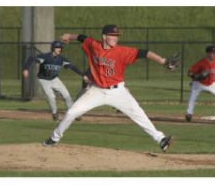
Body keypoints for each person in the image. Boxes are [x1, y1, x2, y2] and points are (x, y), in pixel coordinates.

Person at [42, 25, 180, 152]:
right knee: (72, 112)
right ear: (104, 36)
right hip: (97, 90)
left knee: (138, 113)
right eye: (112, 35)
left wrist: (163, 61)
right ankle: (54, 138)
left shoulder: (122, 51)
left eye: (116, 35)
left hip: (118, 92)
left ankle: (160, 139)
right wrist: (68, 36)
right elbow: (82, 38)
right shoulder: (94, 45)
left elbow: (145, 53)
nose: (115, 38)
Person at [22, 41, 88, 121]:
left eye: (60, 48)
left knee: (66, 95)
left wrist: (82, 74)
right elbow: (31, 58)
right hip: (44, 79)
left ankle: (73, 113)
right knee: (51, 96)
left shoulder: (61, 59)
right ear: (53, 48)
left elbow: (73, 67)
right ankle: (54, 113)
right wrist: (26, 69)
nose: (60, 49)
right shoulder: (45, 57)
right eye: (58, 47)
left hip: (54, 79)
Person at [185, 45, 215, 122]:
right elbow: (190, 72)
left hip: (212, 84)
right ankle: (189, 113)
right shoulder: (202, 62)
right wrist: (195, 77)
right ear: (207, 53)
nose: (212, 54)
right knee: (192, 97)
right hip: (199, 83)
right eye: (210, 53)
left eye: (214, 53)